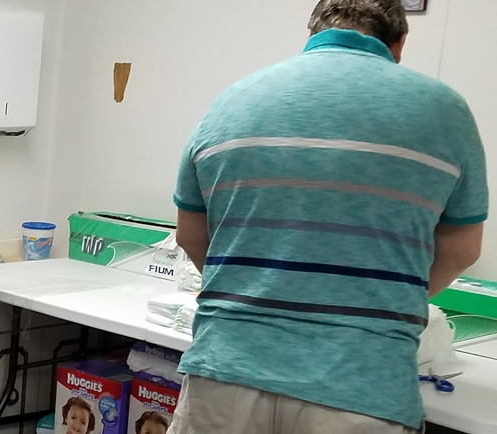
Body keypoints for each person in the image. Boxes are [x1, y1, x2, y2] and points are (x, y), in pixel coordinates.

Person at [170, 1, 486, 433]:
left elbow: (190, 235)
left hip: (224, 376)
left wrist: (256, 288)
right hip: (361, 387)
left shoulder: (232, 100)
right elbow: (462, 249)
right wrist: (386, 303)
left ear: (314, 31)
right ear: (399, 43)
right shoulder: (446, 111)